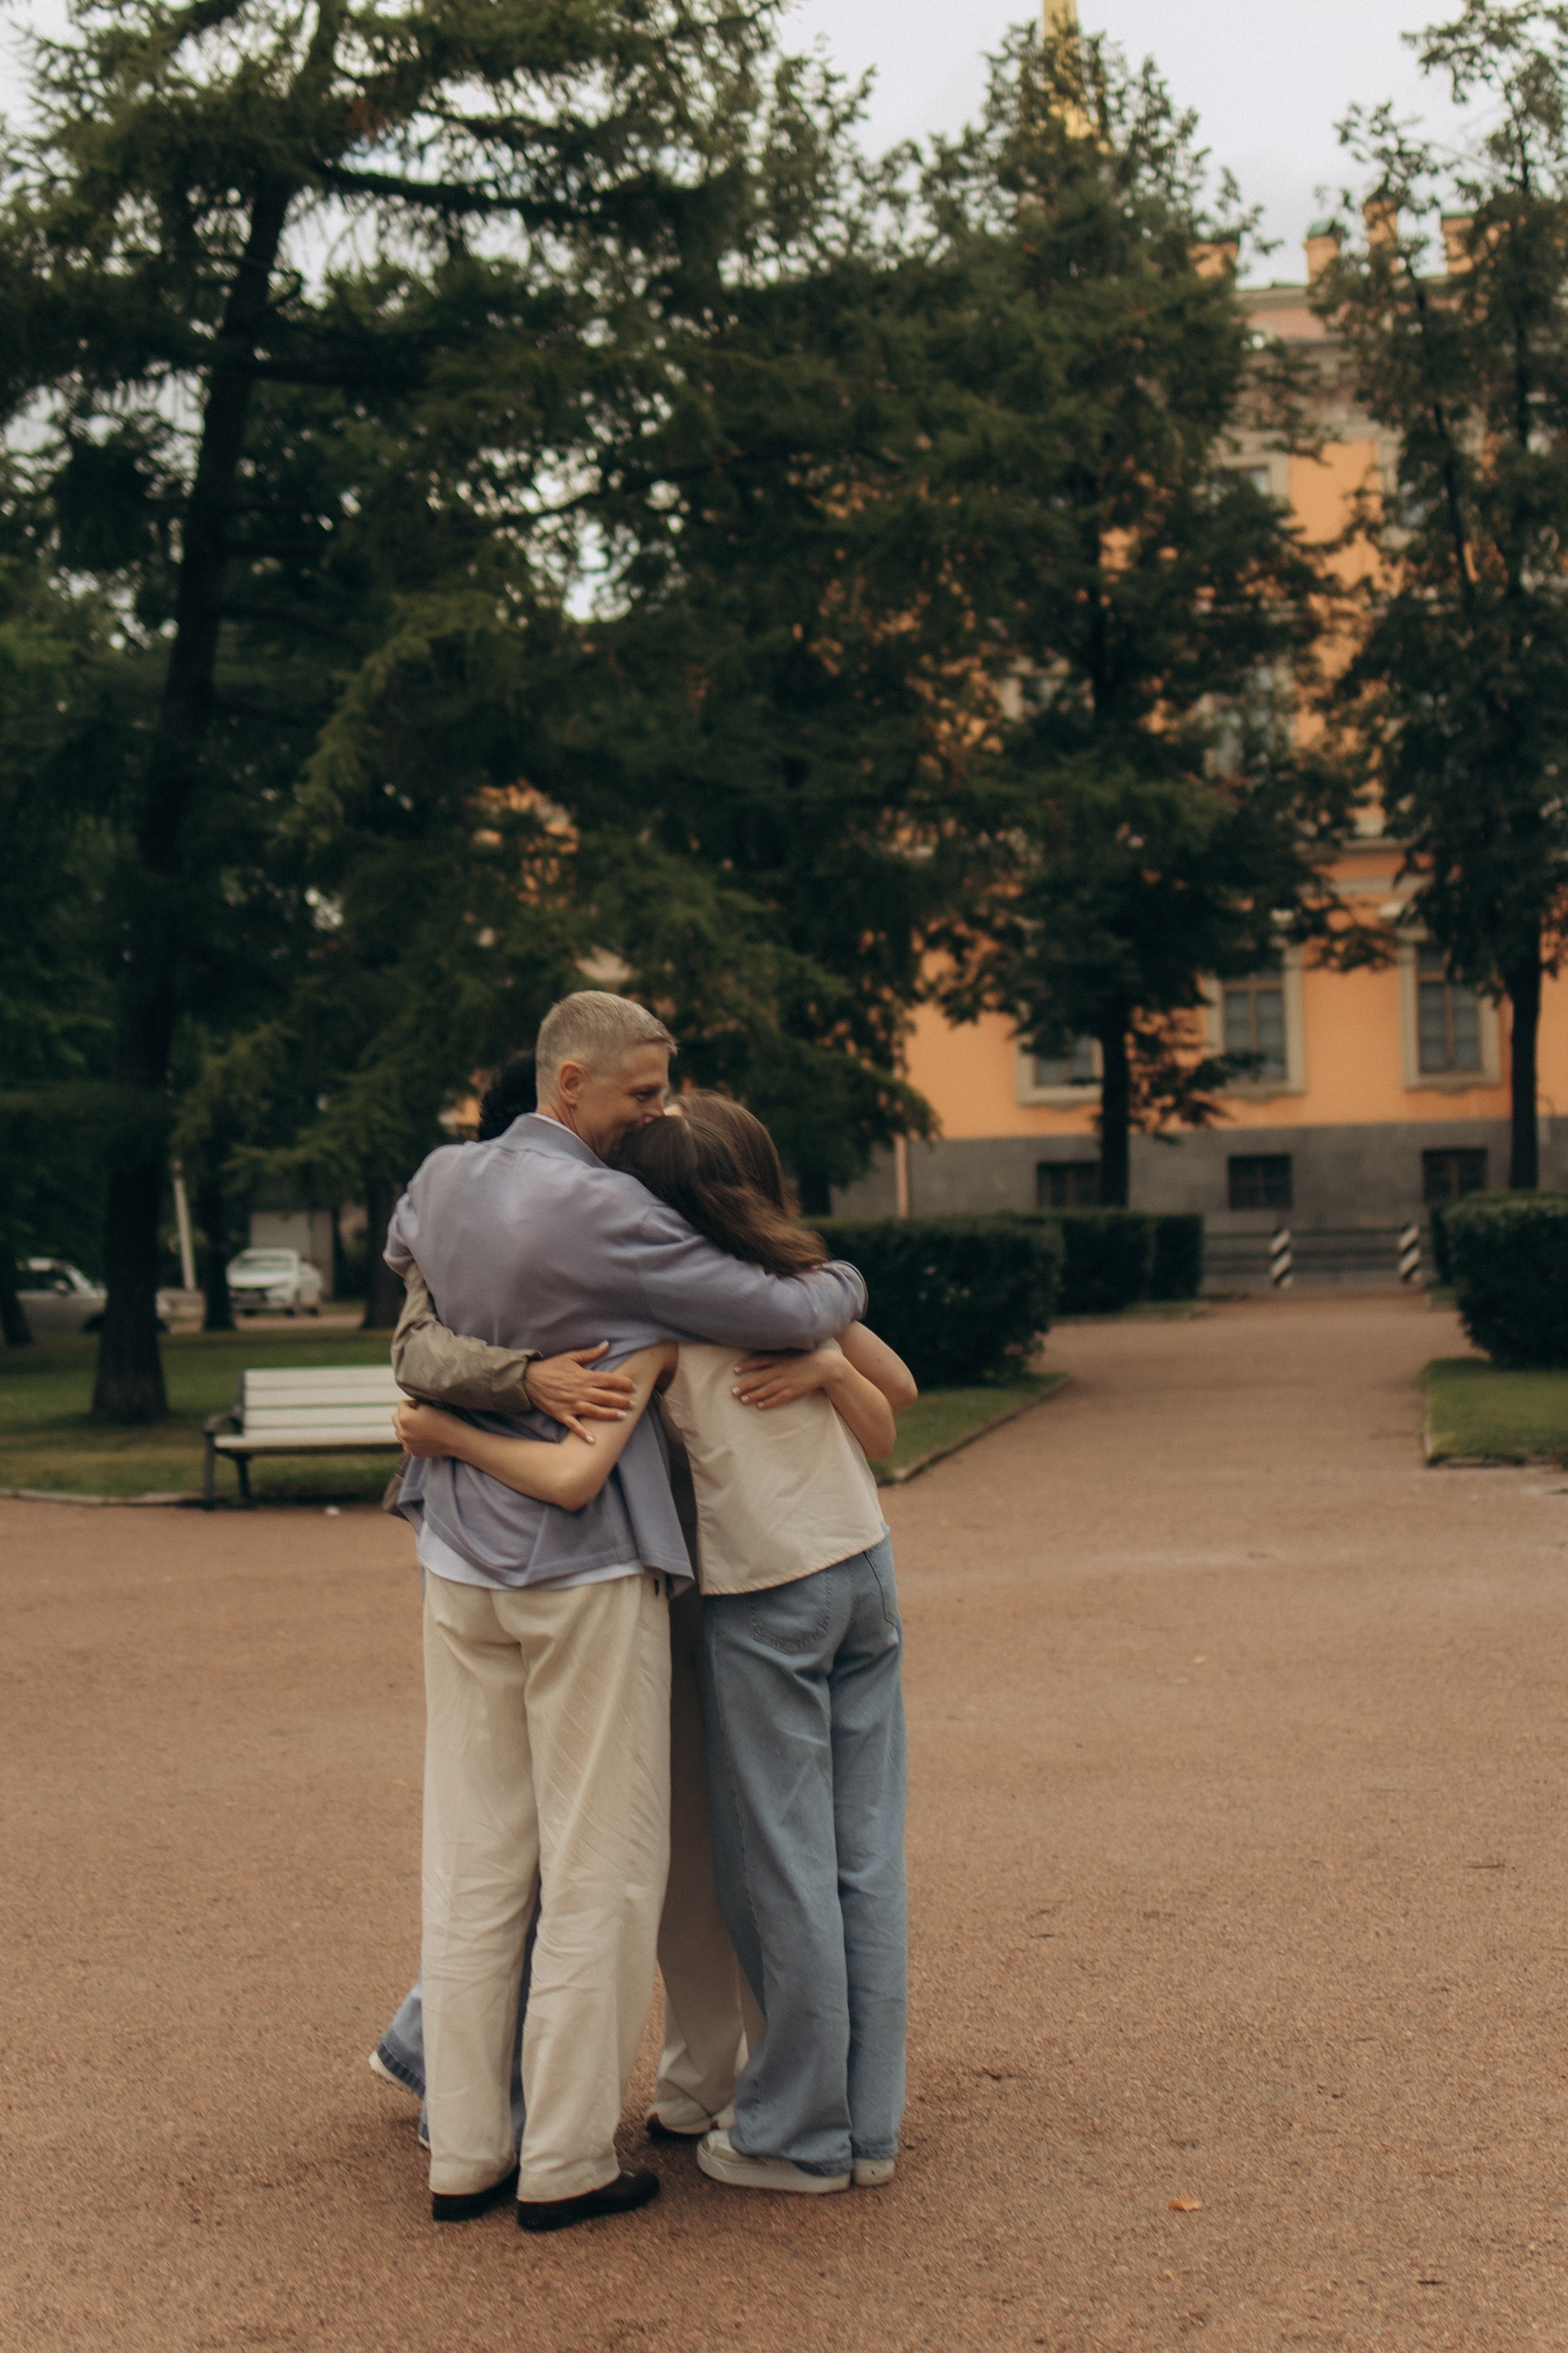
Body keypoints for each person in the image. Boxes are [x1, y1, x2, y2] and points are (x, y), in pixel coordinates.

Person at [384, 993, 867, 2233]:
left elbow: (412, 1332)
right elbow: (779, 1309)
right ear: (571, 1083)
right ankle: (562, 2161)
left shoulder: (439, 1175)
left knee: (477, 1861)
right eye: (642, 1094)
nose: (655, 1114)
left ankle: (463, 2151)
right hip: (579, 1560)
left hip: (452, 1552)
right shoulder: (612, 1209)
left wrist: (487, 1383)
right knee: (602, 1863)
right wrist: (847, 1278)